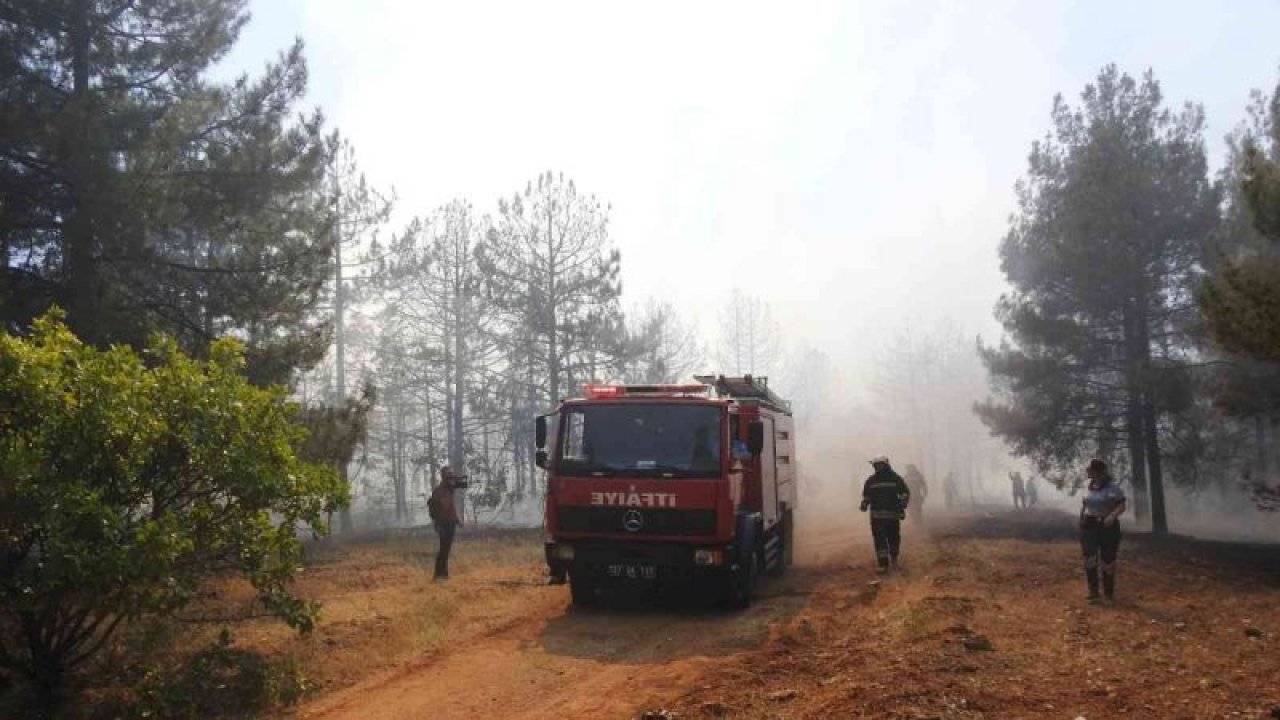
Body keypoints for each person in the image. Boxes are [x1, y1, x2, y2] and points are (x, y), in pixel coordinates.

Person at [1079, 458, 1127, 603]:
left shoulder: (1113, 488)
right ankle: (1093, 592)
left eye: (1090, 469)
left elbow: (1122, 505)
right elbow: (1085, 504)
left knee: (1107, 560)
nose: (1087, 471)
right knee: (1090, 559)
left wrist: (1112, 516)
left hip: (1107, 527)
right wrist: (1081, 518)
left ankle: (1108, 594)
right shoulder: (1087, 487)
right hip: (1089, 526)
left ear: (1098, 471)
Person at [860, 456, 910, 573]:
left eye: (880, 465)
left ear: (886, 465)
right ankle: (883, 564)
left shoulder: (895, 478)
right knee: (879, 539)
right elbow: (867, 495)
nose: (878, 467)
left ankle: (894, 559)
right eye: (876, 465)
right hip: (876, 517)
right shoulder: (871, 480)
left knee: (893, 537)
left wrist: (902, 505)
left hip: (892, 516)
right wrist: (864, 503)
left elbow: (904, 493)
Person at [427, 466, 464, 580]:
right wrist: (437, 525)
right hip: (442, 524)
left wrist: (457, 521)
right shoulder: (438, 491)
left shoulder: (450, 488)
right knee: (443, 549)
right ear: (443, 476)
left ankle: (444, 574)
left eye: (451, 474)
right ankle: (438, 574)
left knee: (446, 549)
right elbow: (434, 510)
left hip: (450, 523)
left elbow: (463, 483)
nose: (451, 477)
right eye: (449, 474)